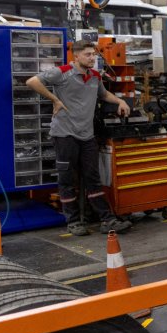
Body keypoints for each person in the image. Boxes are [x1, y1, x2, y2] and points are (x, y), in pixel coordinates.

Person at [27, 40, 133, 237]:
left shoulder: (94, 76)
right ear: (76, 56)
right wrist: (55, 100)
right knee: (67, 179)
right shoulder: (62, 72)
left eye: (94, 54)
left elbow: (103, 94)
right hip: (65, 134)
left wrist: (119, 100)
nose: (92, 58)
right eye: (88, 55)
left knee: (93, 178)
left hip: (87, 135)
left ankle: (106, 219)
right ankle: (73, 221)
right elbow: (32, 81)